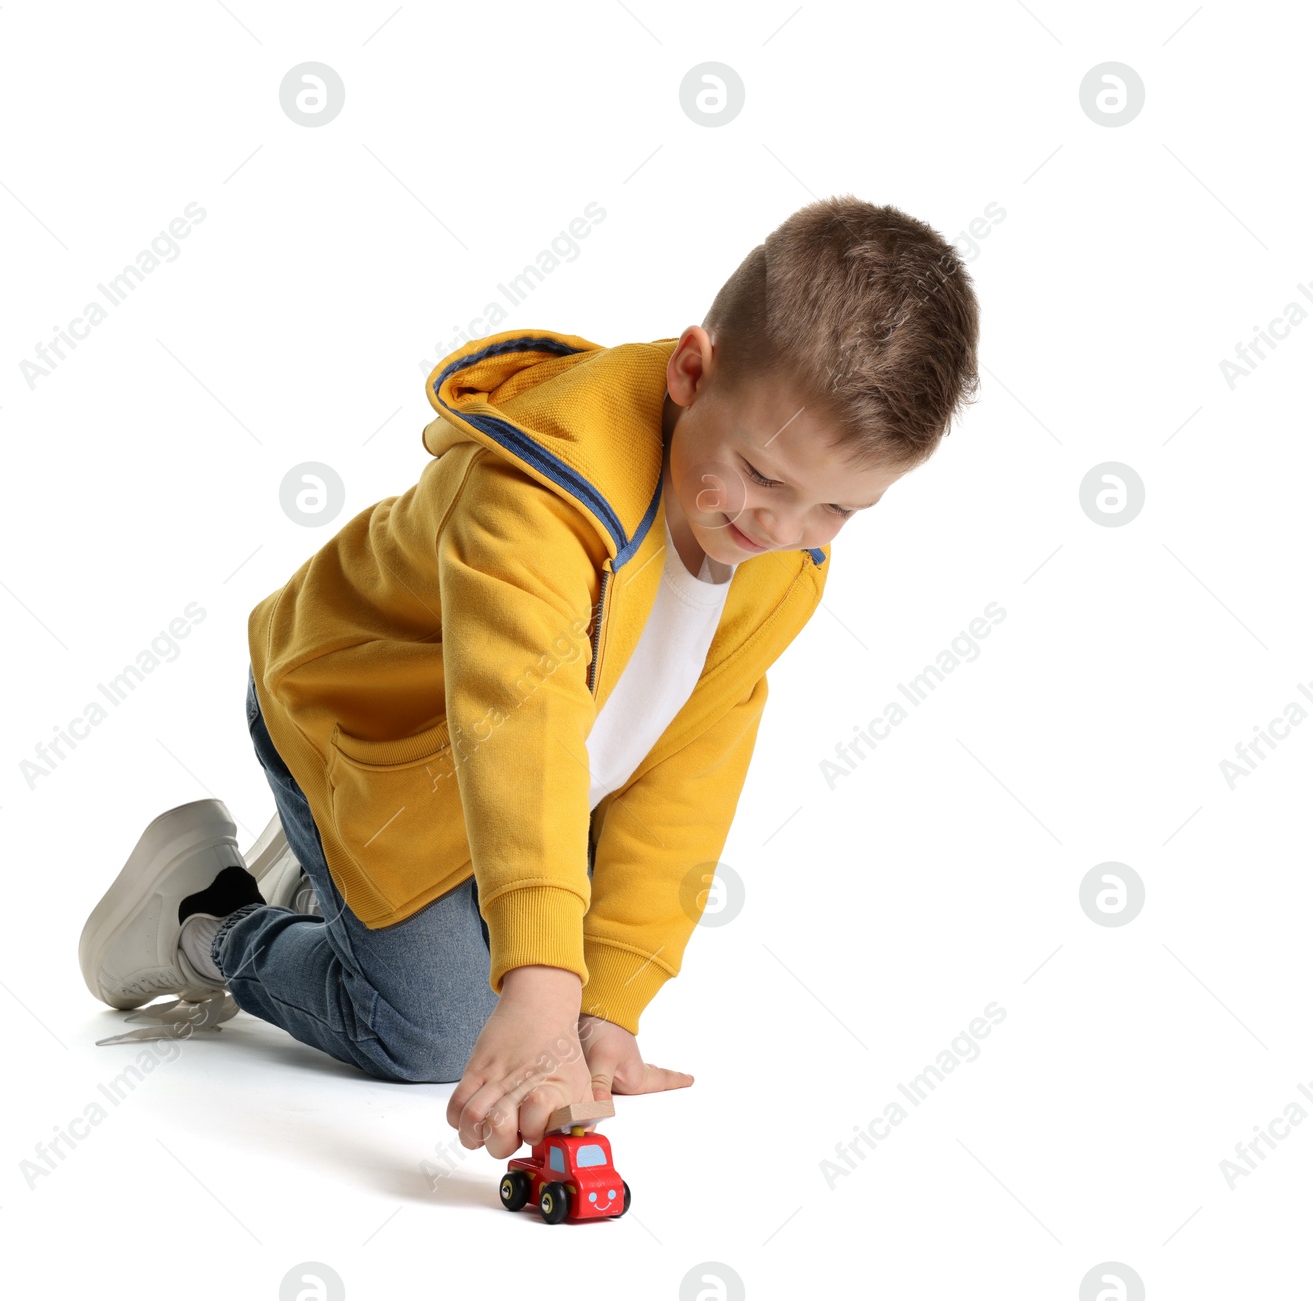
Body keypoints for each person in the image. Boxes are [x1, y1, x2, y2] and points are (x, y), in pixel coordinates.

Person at [79, 193, 981, 1164]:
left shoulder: (780, 560)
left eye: (837, 507)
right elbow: (520, 724)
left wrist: (611, 1002)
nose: (783, 527)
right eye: (762, 476)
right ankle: (207, 916)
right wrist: (542, 984)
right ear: (690, 371)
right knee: (434, 1031)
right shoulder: (537, 498)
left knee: (543, 979)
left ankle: (339, 885)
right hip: (364, 727)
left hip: (538, 773)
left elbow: (690, 760)